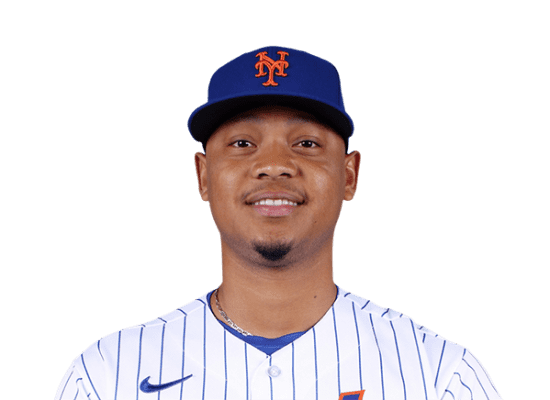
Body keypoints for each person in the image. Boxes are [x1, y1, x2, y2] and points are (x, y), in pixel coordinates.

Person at [54, 45, 503, 400]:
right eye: (242, 143)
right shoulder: (108, 375)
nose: (273, 165)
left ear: (349, 175)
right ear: (203, 176)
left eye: (306, 143)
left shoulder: (439, 375)